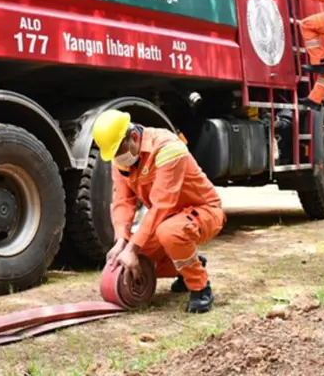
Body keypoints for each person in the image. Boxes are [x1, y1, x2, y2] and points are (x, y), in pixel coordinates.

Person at [92, 109, 225, 314]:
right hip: (167, 218)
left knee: (169, 233)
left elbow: (163, 203)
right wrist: (122, 241)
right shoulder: (121, 159)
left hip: (204, 211)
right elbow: (122, 201)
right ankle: (192, 265)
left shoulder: (167, 148)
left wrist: (132, 248)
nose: (117, 158)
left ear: (134, 137)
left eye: (119, 150)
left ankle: (200, 288)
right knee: (138, 260)